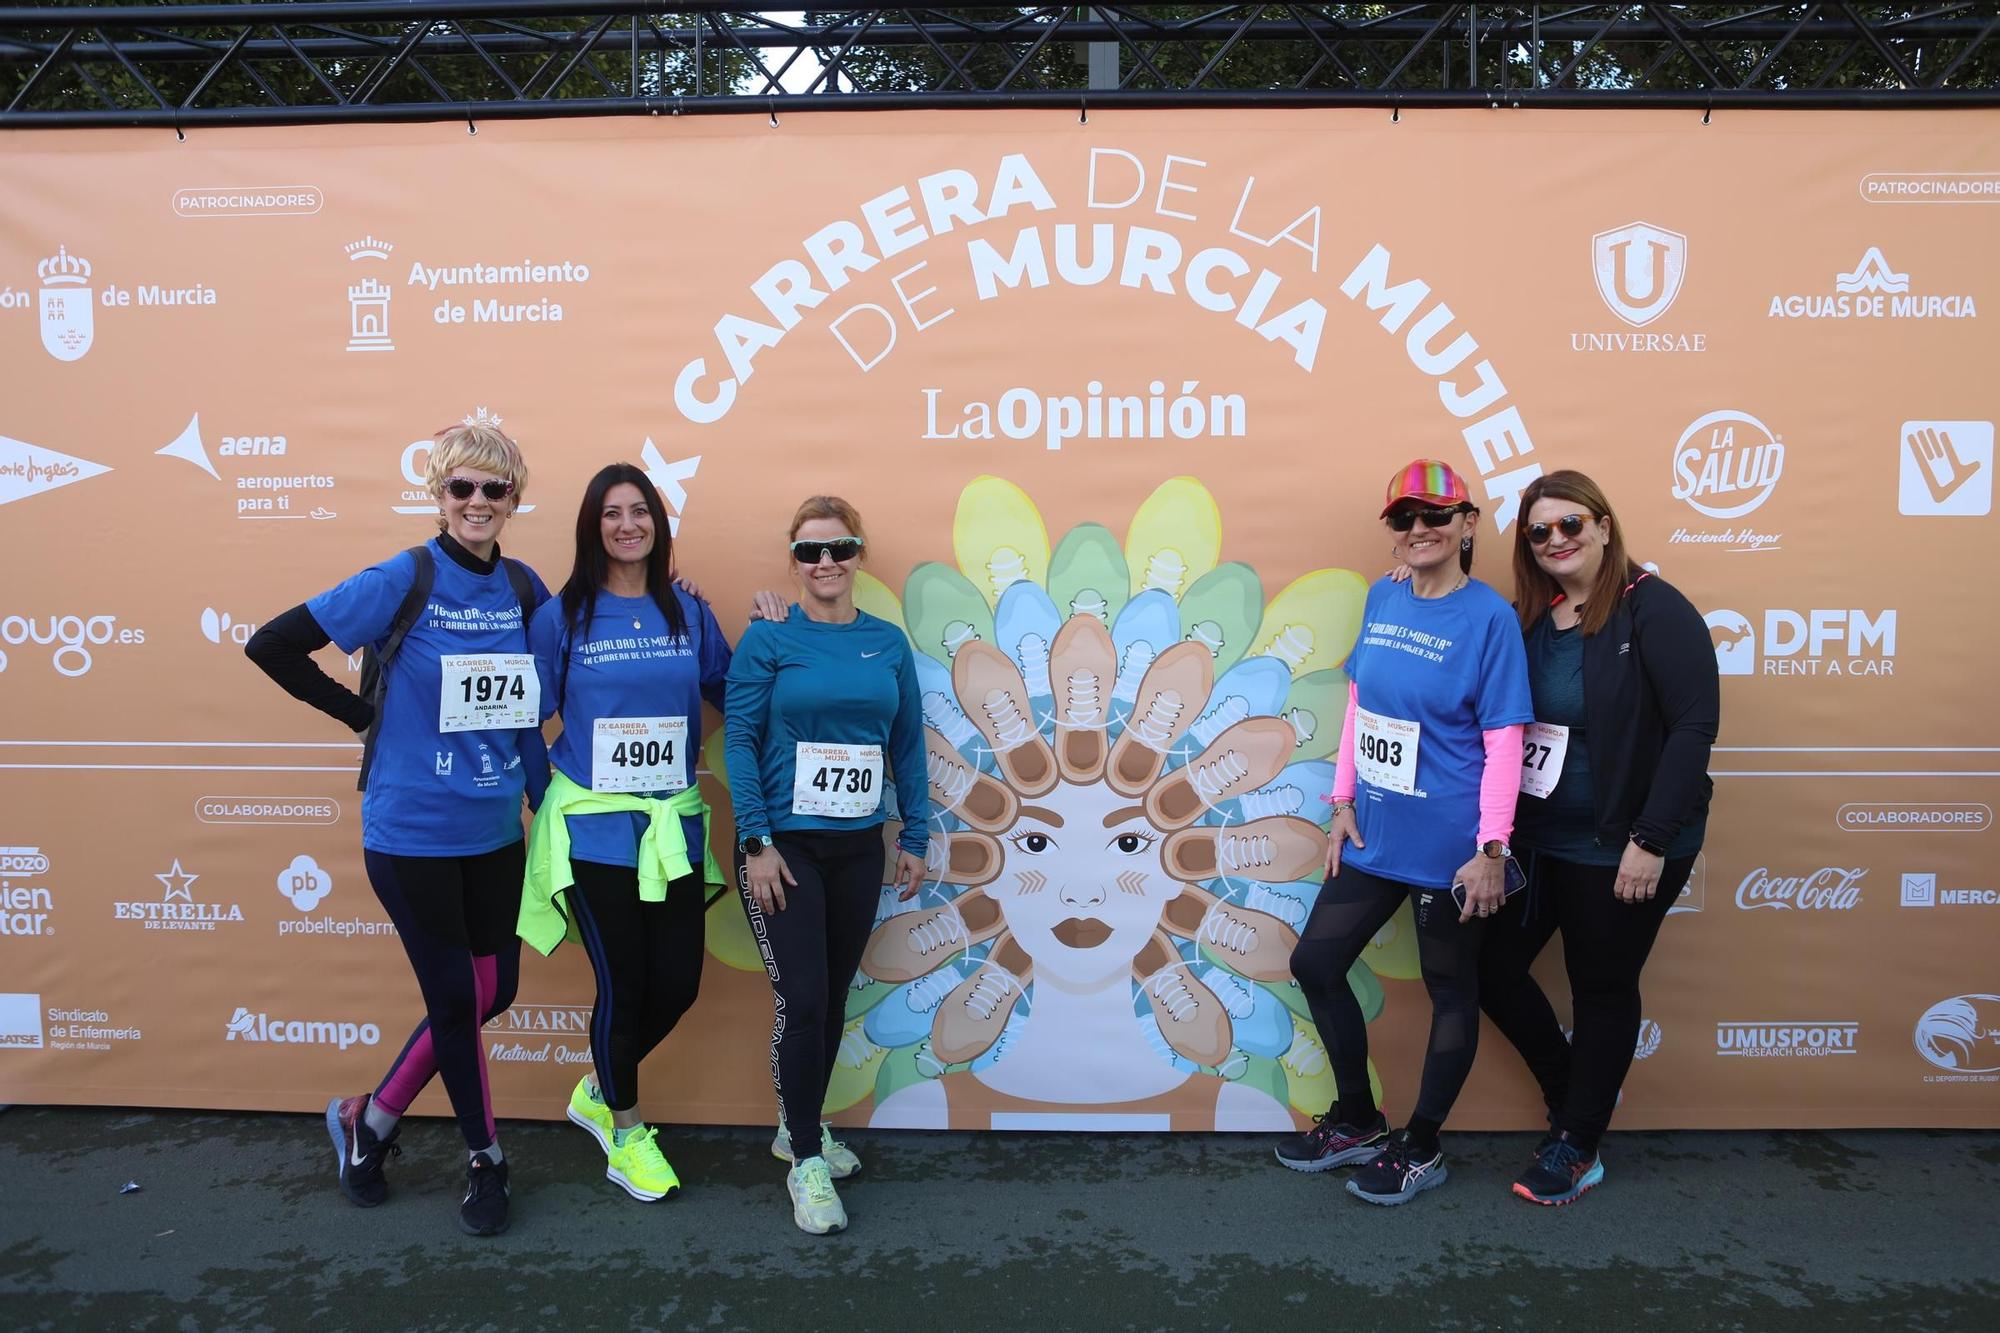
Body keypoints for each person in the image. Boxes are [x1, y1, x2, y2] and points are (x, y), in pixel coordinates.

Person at [245, 419, 546, 1236]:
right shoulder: (403, 578)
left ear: (514, 499)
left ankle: (368, 1119)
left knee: (494, 991)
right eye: (462, 487)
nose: (478, 501)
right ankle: (486, 1159)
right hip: (411, 833)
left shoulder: (523, 588)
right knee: (455, 1001)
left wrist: (545, 795)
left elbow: (541, 688)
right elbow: (271, 643)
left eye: (494, 488)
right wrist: (360, 712)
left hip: (494, 830)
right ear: (439, 495)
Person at [1276, 459, 1533, 1205]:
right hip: (1378, 834)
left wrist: (1491, 849)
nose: (1419, 529)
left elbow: (1506, 738)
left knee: (1452, 990)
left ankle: (1421, 1146)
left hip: (1453, 848)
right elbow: (1362, 703)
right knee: (1317, 963)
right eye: (1404, 518)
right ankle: (1358, 1117)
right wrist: (1343, 797)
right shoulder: (1382, 599)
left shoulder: (1488, 618)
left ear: (1466, 525)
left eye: (1435, 515)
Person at [1477, 469, 1717, 1206]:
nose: (1556, 540)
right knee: (1488, 967)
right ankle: (1574, 1093)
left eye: (1570, 524)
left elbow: (1693, 727)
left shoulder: (1654, 609)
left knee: (1602, 987)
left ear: (1604, 526)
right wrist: (1409, 573)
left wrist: (1649, 837)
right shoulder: (1533, 617)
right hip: (1541, 838)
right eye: (1539, 530)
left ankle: (1578, 1144)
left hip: (1625, 842)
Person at [517, 463, 731, 1203]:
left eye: (640, 511)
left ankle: (599, 1086)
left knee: (677, 984)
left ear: (658, 524)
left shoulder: (689, 613)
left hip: (671, 828)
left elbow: (729, 690)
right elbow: (525, 719)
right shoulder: (561, 617)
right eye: (612, 513)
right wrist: (548, 802)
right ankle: (627, 1133)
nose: (627, 524)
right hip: (595, 835)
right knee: (623, 980)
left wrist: (782, 638)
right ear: (592, 526)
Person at [724, 496, 929, 1235]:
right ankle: (805, 1156)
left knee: (834, 993)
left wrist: (916, 833)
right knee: (803, 999)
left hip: (856, 847)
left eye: (839, 548)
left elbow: (905, 742)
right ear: (794, 561)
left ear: (859, 553)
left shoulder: (887, 642)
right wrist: (756, 842)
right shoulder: (770, 638)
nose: (826, 563)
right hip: (784, 846)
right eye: (810, 552)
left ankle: (796, 1124)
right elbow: (739, 740)